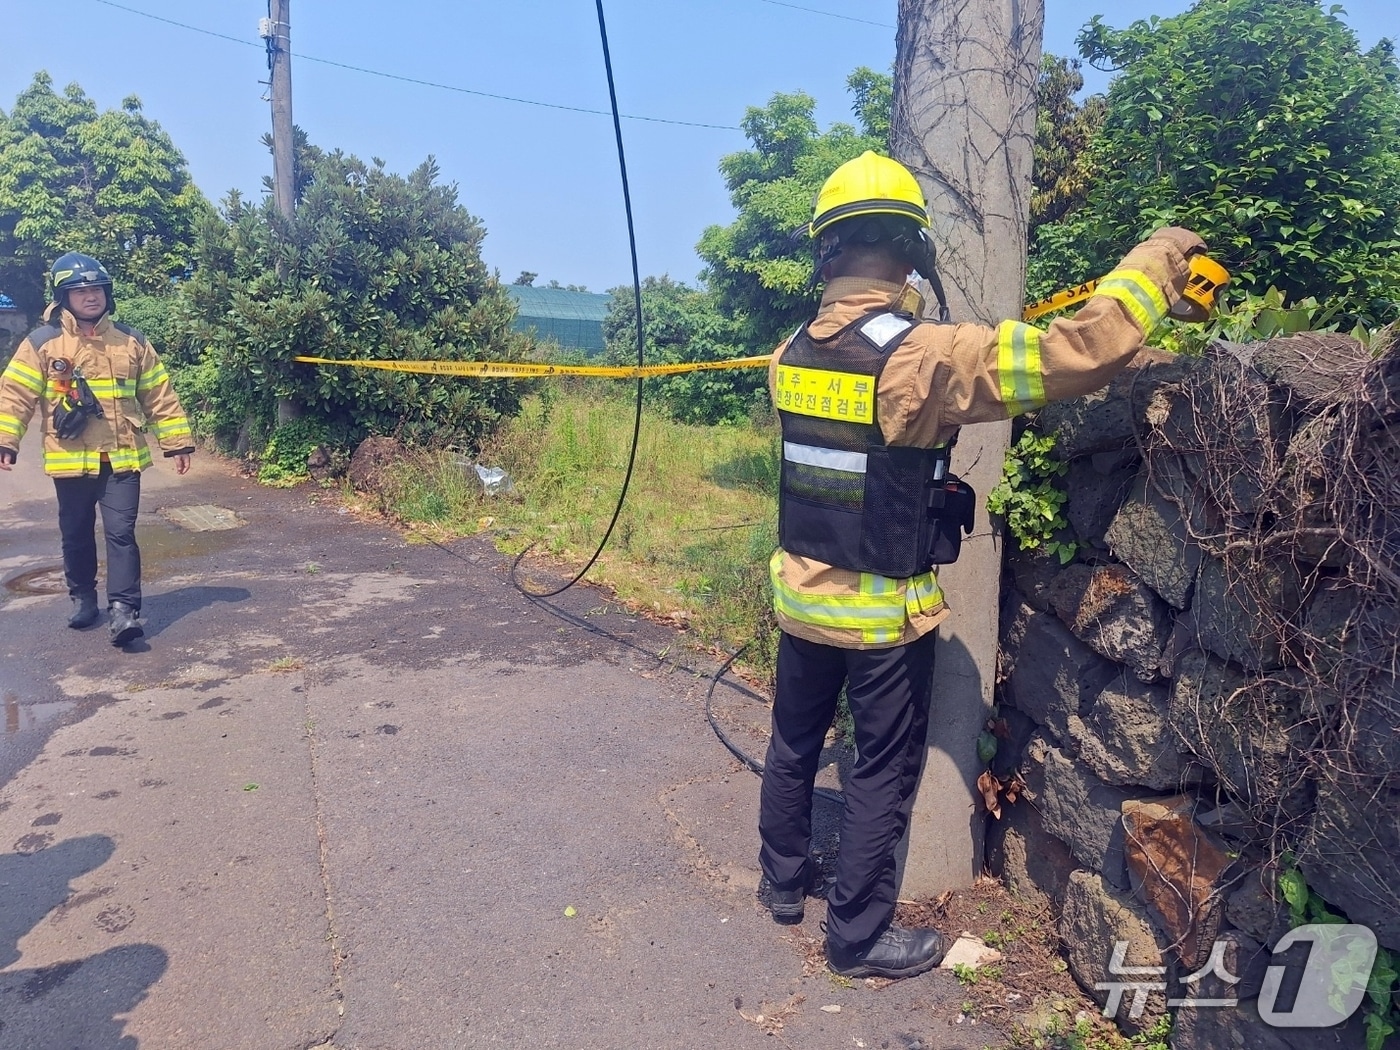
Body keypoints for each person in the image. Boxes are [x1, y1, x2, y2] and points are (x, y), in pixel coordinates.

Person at [758, 151, 1206, 979]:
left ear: (826, 249)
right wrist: (1158, 262)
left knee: (794, 742)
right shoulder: (928, 355)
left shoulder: (788, 352)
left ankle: (782, 885)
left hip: (800, 597)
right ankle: (855, 940)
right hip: (879, 615)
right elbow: (1078, 354)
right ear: (912, 250)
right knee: (880, 770)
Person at [0, 252, 194, 647]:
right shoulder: (42, 343)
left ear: (107, 294)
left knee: (122, 533)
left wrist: (176, 443)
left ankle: (124, 611)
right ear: (63, 297)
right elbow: (15, 395)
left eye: (97, 290)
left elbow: (159, 394)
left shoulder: (132, 341)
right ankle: (83, 598)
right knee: (75, 533)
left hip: (122, 458)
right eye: (80, 291)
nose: (91, 297)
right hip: (70, 459)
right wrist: (7, 439)